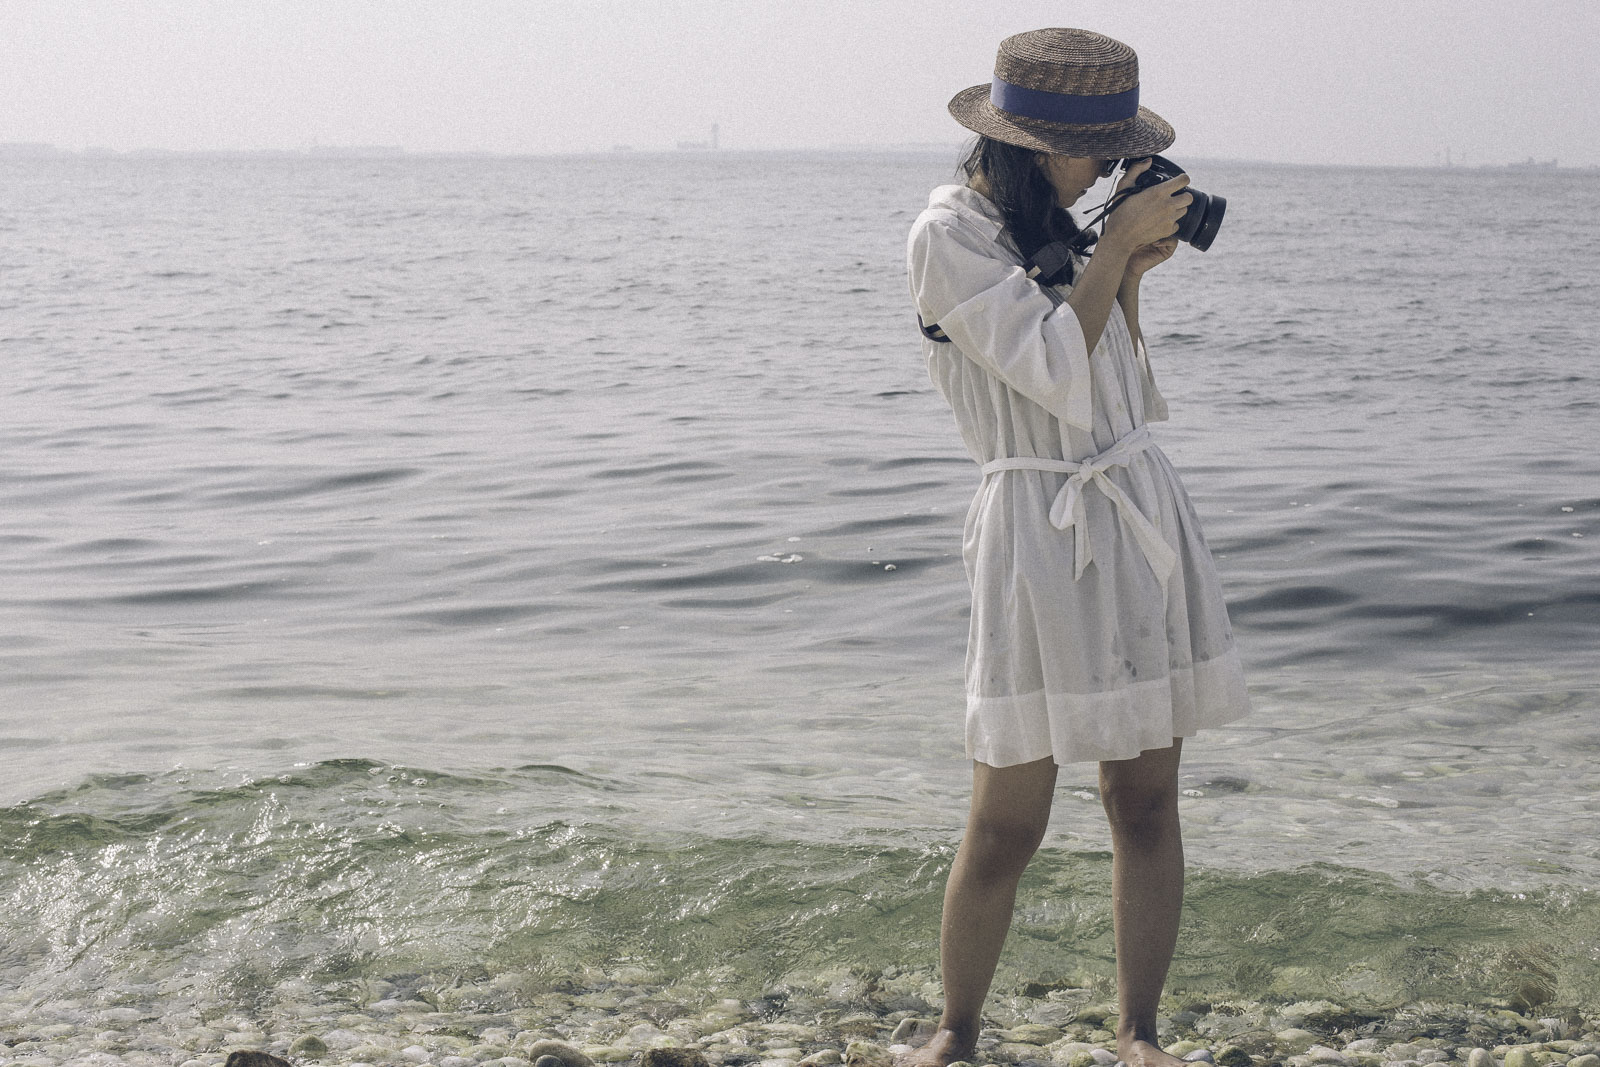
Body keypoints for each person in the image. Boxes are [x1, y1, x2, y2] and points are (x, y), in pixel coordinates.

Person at [902, 28, 1251, 1067]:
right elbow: (1050, 368)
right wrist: (1111, 249)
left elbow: (1114, 383)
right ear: (1029, 141)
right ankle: (954, 1029)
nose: (1107, 169)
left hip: (1133, 503)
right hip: (1035, 533)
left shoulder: (1052, 223)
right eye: (1094, 150)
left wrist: (1131, 267)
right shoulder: (949, 234)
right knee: (1007, 815)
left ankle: (1138, 1031)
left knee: (1142, 797)